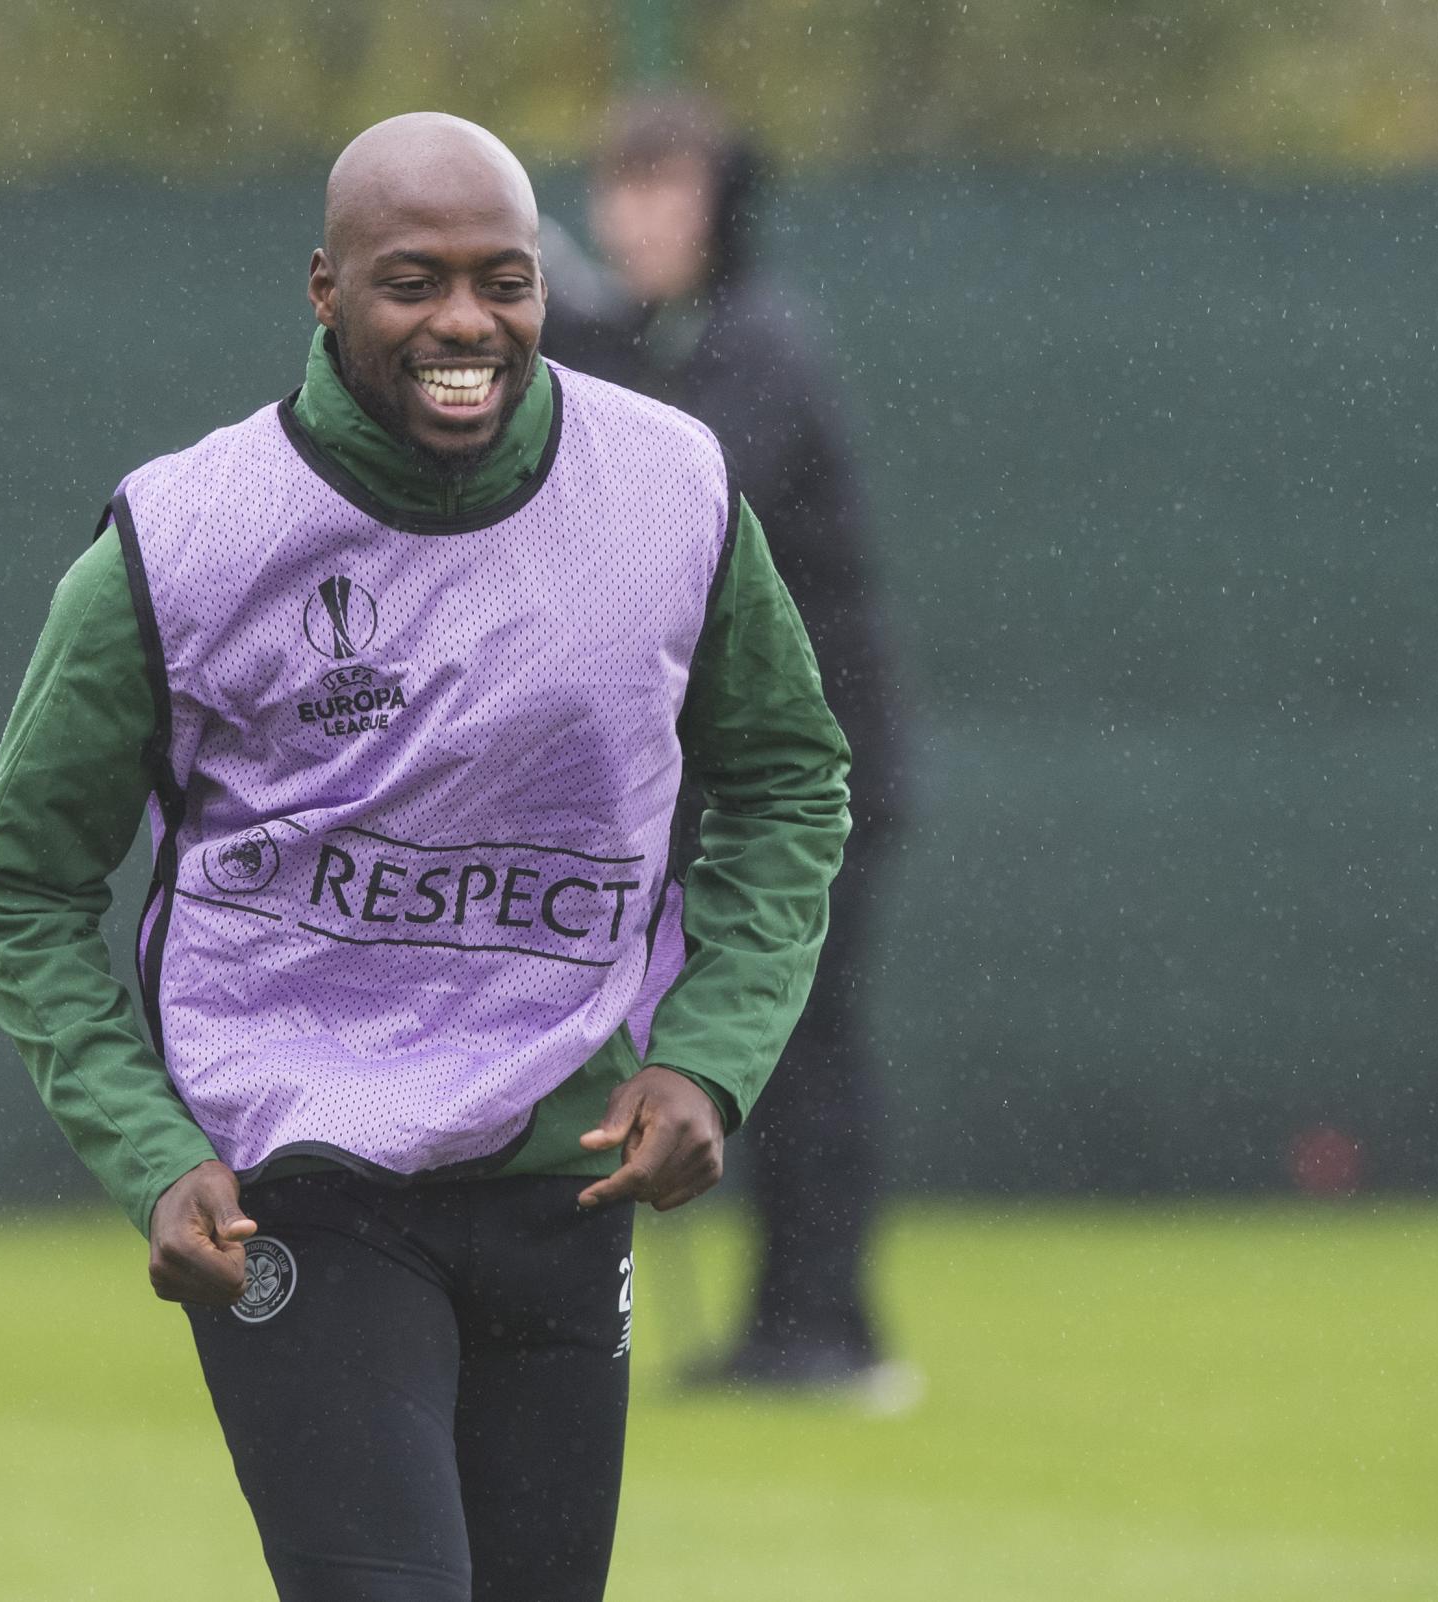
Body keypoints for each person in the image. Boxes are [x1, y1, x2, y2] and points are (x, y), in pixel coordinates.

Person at [0, 112, 850, 1602]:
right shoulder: (189, 537)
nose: (465, 324)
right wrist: (149, 1149)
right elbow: (20, 878)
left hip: (565, 1175)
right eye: (413, 282)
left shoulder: (669, 488)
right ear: (324, 289)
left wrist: (707, 1054)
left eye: (504, 281)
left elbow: (790, 775)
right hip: (303, 1180)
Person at [546, 94, 908, 1397]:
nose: (637, 214)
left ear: (722, 207)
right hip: (732, 782)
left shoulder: (761, 349)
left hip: (814, 781)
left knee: (802, 1040)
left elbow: (687, 489)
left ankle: (827, 1330)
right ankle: (800, 1327)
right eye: (621, 186)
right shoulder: (661, 342)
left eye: (668, 189)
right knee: (765, 1043)